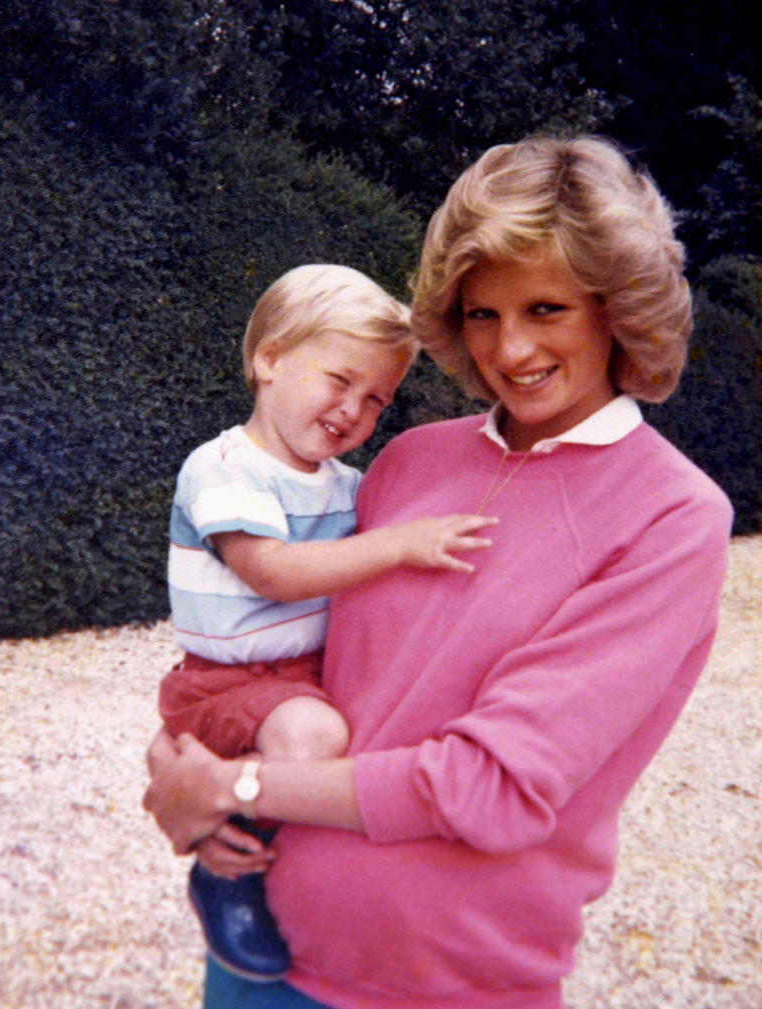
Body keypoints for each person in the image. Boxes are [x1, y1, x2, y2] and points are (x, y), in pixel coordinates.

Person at [143, 136, 734, 1009]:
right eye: (483, 314)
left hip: (441, 984)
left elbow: (491, 785)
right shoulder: (408, 462)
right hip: (260, 958)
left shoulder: (672, 516)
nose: (511, 348)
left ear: (618, 308)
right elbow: (269, 647)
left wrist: (238, 784)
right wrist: (178, 766)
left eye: (546, 308)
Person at [162, 263, 497, 982]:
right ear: (269, 359)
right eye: (339, 380)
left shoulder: (350, 486)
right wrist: (401, 544)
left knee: (328, 731)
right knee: (314, 734)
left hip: (298, 677)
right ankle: (229, 872)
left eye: (376, 398)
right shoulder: (224, 469)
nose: (353, 409)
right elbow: (273, 573)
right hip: (226, 682)